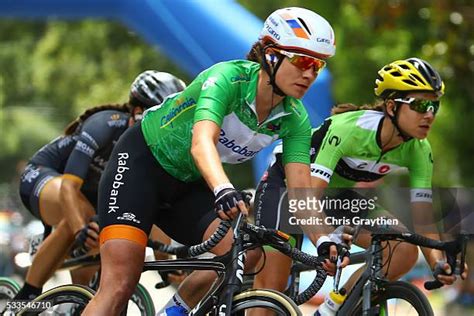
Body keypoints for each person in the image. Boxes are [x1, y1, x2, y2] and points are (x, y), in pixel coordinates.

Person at [82, 7, 338, 316]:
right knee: (120, 283)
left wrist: (324, 240)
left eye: (318, 65)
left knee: (246, 253)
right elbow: (201, 142)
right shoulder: (227, 78)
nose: (310, 73)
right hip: (141, 164)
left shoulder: (293, 118)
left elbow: (300, 193)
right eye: (302, 61)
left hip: (188, 184)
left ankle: (171, 313)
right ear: (271, 54)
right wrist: (223, 189)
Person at [252, 57, 469, 315]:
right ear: (391, 106)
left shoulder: (419, 150)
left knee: (401, 248)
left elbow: (422, 216)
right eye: (420, 105)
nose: (429, 114)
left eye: (435, 105)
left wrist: (437, 262)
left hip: (338, 197)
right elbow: (309, 196)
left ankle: (333, 307)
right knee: (272, 289)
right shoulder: (348, 130)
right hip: (290, 189)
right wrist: (327, 238)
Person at [14, 70, 186, 301]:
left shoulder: (155, 148)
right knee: (84, 217)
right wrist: (79, 230)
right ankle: (26, 296)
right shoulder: (106, 124)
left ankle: (75, 303)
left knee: (98, 259)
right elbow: (68, 188)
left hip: (90, 198)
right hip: (47, 177)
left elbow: (156, 210)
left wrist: (165, 263)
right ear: (137, 111)